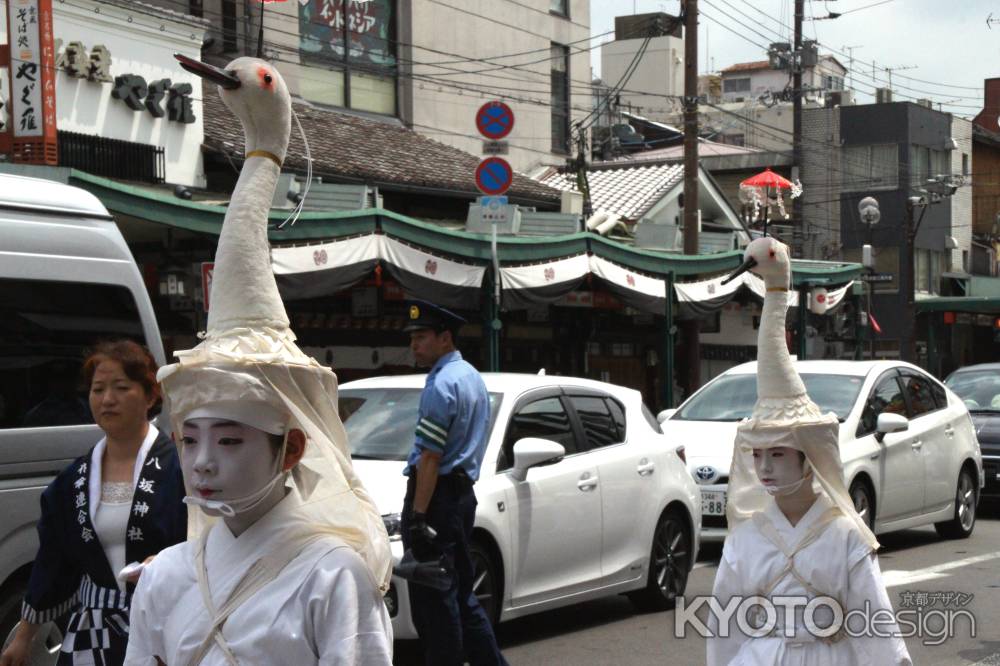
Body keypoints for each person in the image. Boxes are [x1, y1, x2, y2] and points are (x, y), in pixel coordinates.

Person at [123, 54, 392, 666]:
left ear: (291, 449)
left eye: (232, 442)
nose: (201, 463)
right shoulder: (163, 577)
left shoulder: (336, 577)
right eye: (189, 441)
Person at [706, 237, 911, 665]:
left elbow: (874, 627)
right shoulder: (744, 539)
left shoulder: (846, 536)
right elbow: (725, 634)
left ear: (807, 457)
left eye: (778, 454)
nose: (764, 468)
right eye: (758, 456)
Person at [1, 340, 186, 666]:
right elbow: (52, 559)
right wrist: (24, 635)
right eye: (98, 389)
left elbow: (205, 543)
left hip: (166, 627)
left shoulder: (179, 468)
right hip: (93, 631)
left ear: (150, 395)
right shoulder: (74, 479)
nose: (107, 399)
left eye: (121, 387)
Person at [399, 299, 508, 666]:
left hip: (437, 499)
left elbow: (430, 458)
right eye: (412, 337)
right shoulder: (472, 377)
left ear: (445, 338)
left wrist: (417, 516)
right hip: (461, 498)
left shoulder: (440, 385)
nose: (414, 344)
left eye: (422, 336)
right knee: (461, 595)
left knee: (435, 603)